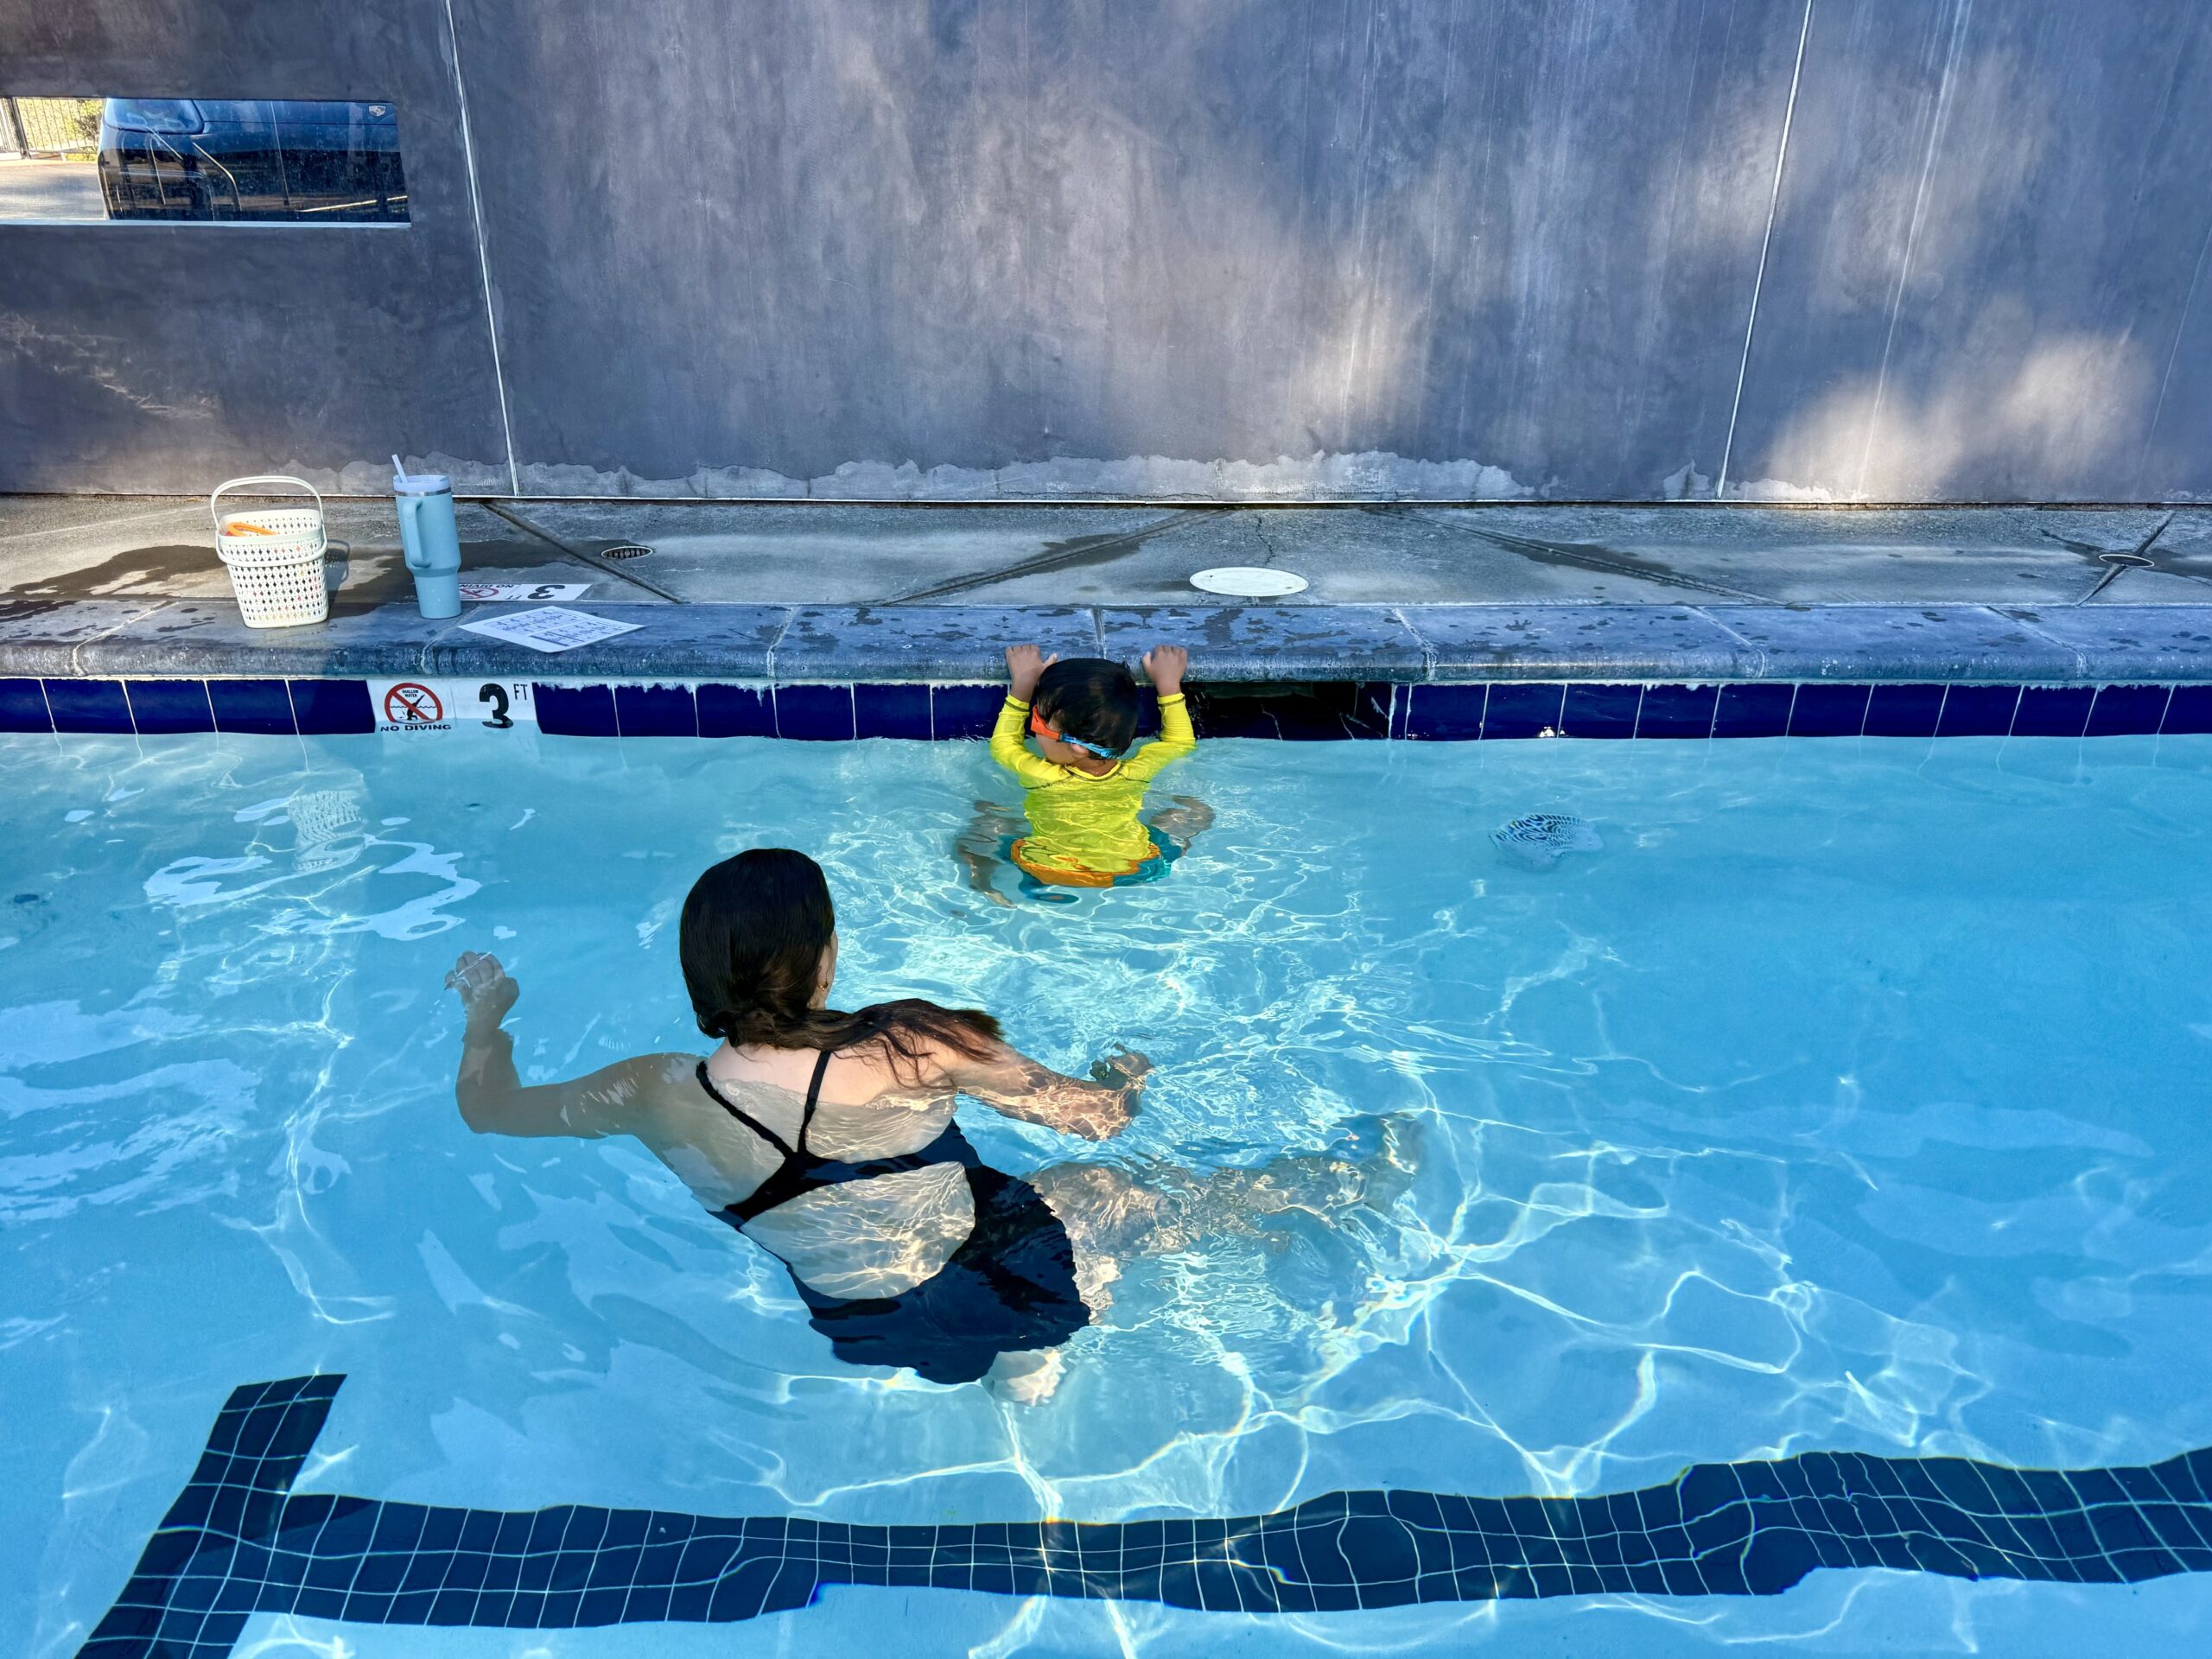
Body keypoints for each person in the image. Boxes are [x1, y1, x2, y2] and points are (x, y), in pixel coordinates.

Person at [448, 849, 1413, 1402]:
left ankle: (1017, 1362)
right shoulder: (909, 1043)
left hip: (864, 1324)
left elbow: (487, 1112)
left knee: (956, 1245)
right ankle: (1351, 1182)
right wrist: (1129, 1073)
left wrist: (485, 1018)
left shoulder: (650, 1090)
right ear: (826, 955)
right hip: (1006, 1282)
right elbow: (1094, 1122)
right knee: (1120, 1193)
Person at [957, 644, 1213, 905]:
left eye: (1037, 720)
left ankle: (982, 878)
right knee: (1195, 812)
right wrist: (1168, 685)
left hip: (1046, 869)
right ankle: (1177, 849)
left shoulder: (1041, 775)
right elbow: (1179, 743)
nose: (1033, 727)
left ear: (1076, 748)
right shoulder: (1138, 771)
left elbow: (1004, 745)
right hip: (1134, 868)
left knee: (988, 814)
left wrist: (1023, 686)